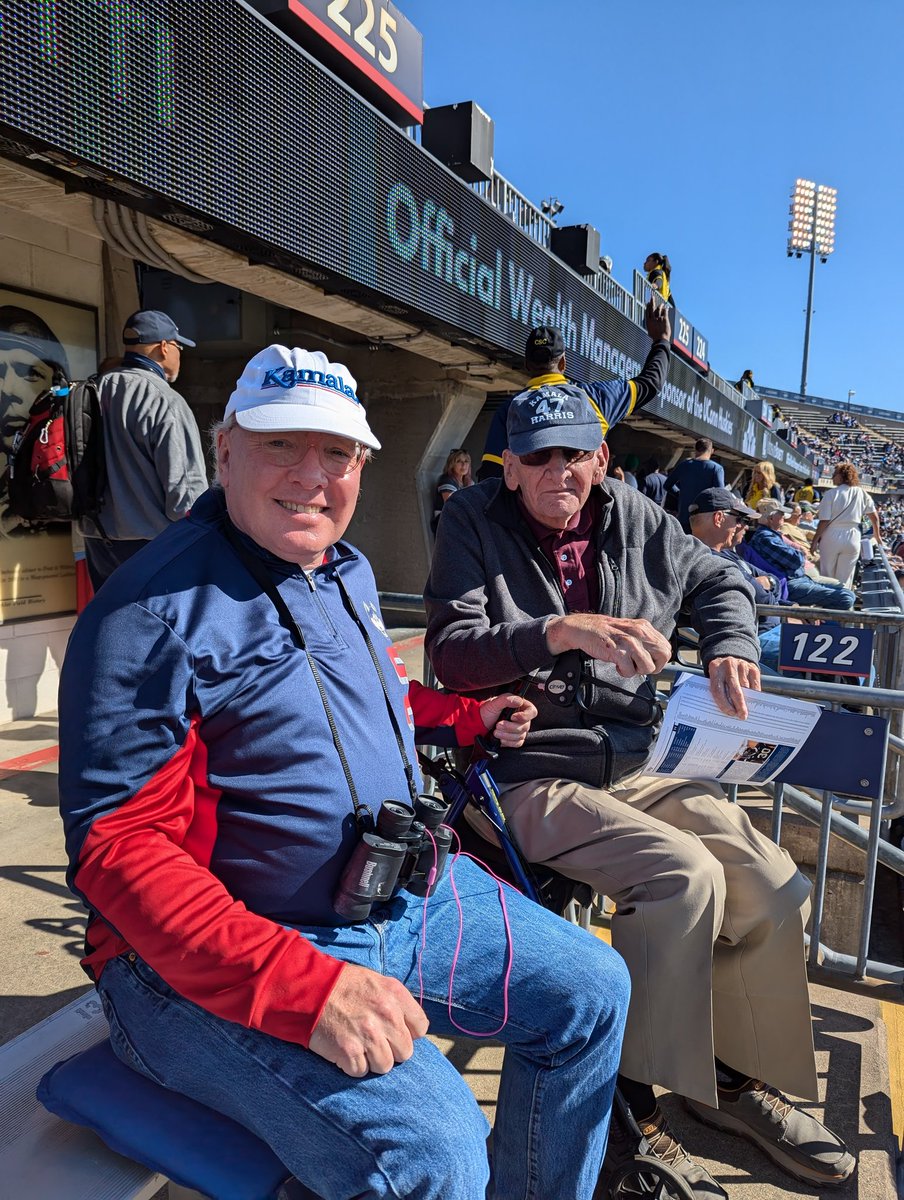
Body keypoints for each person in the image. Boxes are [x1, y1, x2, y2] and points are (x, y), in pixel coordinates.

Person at [58, 344, 631, 1200]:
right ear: (225, 450)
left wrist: (463, 717)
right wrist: (303, 988)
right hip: (212, 963)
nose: (312, 476)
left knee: (595, 988)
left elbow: (370, 690)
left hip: (397, 900)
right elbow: (120, 854)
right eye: (281, 444)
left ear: (364, 463)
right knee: (439, 1148)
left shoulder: (341, 567)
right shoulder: (147, 614)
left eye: (338, 452)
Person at [425, 386, 854, 1197]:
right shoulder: (471, 519)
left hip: (636, 761)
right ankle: (634, 1118)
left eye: (576, 453)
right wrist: (559, 631)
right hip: (528, 771)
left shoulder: (635, 513)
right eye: (540, 456)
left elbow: (720, 582)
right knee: (681, 876)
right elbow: (452, 651)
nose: (561, 470)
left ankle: (725, 1080)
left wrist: (729, 644)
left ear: (603, 459)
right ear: (509, 466)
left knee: (766, 882)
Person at [78, 309, 208, 590]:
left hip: (97, 541)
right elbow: (186, 495)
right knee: (159, 629)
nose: (179, 355)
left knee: (111, 625)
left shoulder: (93, 389)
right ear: (164, 347)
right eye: (178, 347)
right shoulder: (164, 400)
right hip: (154, 545)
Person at [477, 301, 671, 480]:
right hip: (584, 514)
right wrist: (661, 340)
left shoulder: (510, 410)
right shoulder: (595, 399)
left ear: (527, 364)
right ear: (563, 362)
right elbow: (650, 382)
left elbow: (492, 476)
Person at [688, 488, 797, 674]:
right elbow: (764, 598)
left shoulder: (728, 553)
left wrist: (789, 605)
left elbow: (775, 583)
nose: (744, 526)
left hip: (767, 630)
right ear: (718, 518)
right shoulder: (705, 560)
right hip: (750, 640)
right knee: (830, 665)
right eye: (740, 519)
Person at [747, 500, 855, 610]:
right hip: (790, 585)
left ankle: (817, 619)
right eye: (781, 514)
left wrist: (798, 552)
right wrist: (799, 552)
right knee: (846, 598)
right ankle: (815, 620)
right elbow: (796, 561)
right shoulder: (766, 538)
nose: (784, 517)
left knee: (848, 594)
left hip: (799, 579)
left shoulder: (769, 535)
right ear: (770, 519)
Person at [811, 462, 881, 590]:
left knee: (827, 575)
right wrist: (877, 536)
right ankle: (844, 604)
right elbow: (874, 517)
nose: (832, 477)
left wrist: (814, 541)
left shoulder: (831, 493)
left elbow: (824, 521)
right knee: (846, 578)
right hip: (853, 535)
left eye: (834, 474)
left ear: (842, 476)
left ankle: (827, 606)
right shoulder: (862, 492)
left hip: (831, 535)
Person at [664, 438, 725, 531]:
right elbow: (720, 494)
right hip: (705, 519)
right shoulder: (716, 469)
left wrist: (679, 494)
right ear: (711, 451)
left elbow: (667, 485)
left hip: (684, 516)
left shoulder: (684, 465)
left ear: (695, 449)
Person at [431, 447, 471, 534]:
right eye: (459, 461)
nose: (464, 465)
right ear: (451, 464)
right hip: (444, 522)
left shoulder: (468, 482)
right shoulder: (446, 480)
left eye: (466, 461)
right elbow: (452, 505)